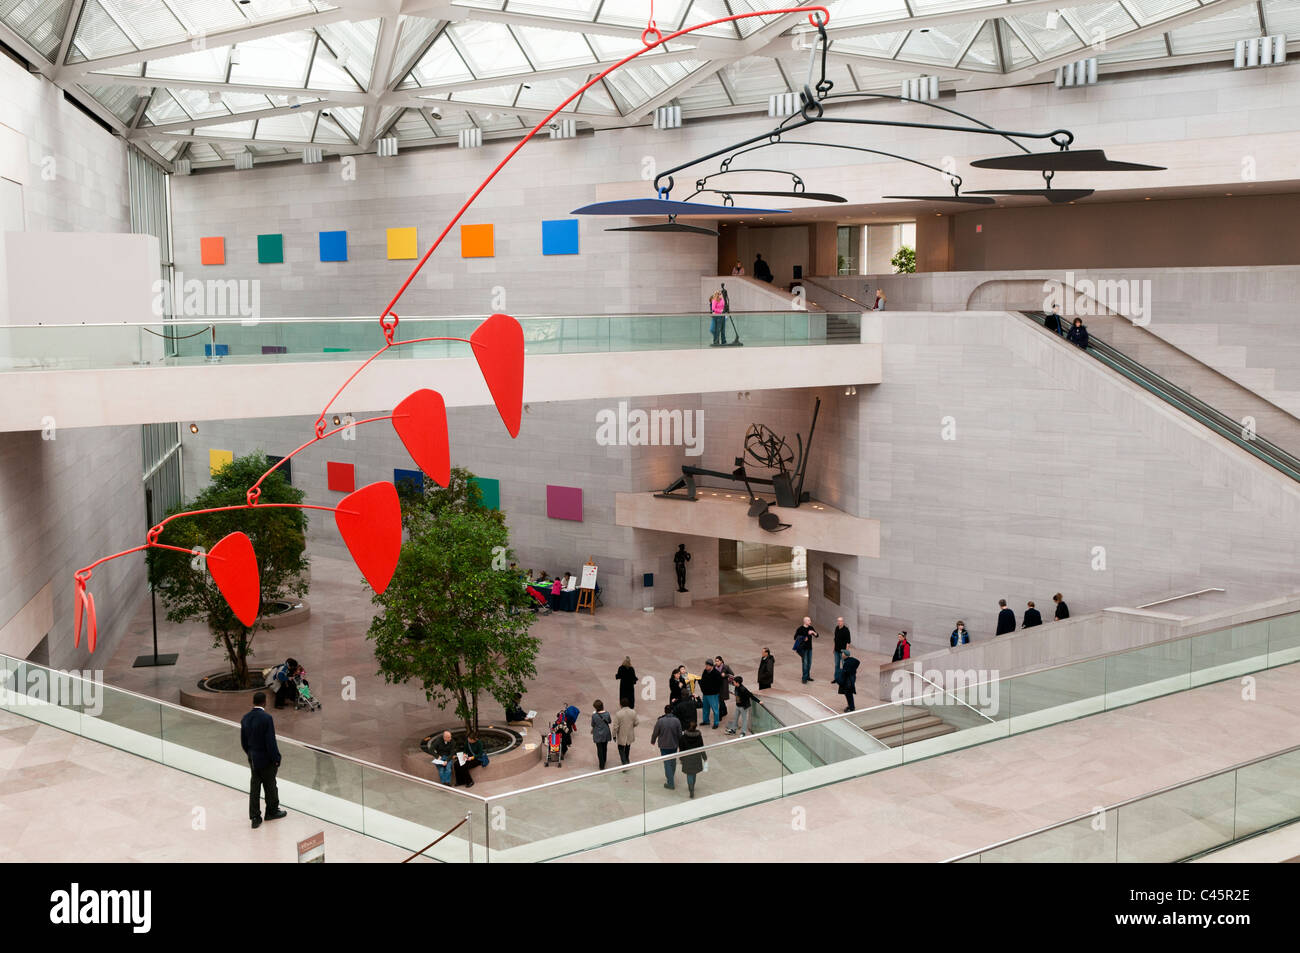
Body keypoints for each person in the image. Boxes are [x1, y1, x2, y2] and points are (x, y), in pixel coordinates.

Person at [240, 692, 287, 828]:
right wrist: (276, 758)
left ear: (253, 702)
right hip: (266, 759)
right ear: (264, 702)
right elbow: (270, 742)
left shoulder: (245, 718)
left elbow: (244, 742)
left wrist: (250, 754)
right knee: (270, 785)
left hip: (253, 759)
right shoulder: (266, 718)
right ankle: (271, 811)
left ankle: (255, 817)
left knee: (255, 787)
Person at [650, 704, 682, 789]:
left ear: (665, 711)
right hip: (674, 745)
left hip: (664, 746)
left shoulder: (660, 721)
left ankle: (670, 782)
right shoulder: (677, 721)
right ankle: (671, 776)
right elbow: (679, 734)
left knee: (667, 763)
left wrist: (652, 741)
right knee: (673, 762)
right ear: (672, 711)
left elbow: (655, 733)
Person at [678, 721, 707, 799]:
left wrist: (681, 758)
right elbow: (702, 747)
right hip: (696, 757)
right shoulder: (699, 736)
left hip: (687, 758)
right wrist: (704, 757)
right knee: (694, 773)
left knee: (689, 774)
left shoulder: (683, 737)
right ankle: (692, 787)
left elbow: (681, 749)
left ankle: (691, 788)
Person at [612, 700, 639, 766]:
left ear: (621, 705)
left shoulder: (618, 714)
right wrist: (631, 727)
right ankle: (627, 759)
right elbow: (637, 722)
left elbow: (615, 727)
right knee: (628, 747)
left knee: (621, 748)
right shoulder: (633, 712)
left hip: (621, 735)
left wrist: (614, 735)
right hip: (629, 734)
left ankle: (624, 762)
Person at [698, 659, 722, 730]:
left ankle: (716, 723)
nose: (706, 666)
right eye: (706, 665)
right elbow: (703, 680)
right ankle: (706, 721)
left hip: (713, 695)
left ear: (711, 666)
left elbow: (719, 684)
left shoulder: (716, 673)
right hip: (705, 694)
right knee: (705, 708)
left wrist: (713, 690)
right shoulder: (705, 671)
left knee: (715, 709)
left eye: (707, 665)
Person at [793, 616, 818, 683]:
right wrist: (803, 638)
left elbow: (817, 635)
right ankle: (804, 678)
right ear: (805, 621)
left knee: (809, 663)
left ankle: (807, 676)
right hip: (803, 649)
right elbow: (795, 637)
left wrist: (813, 632)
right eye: (809, 620)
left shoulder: (811, 628)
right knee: (805, 663)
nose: (810, 622)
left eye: (810, 620)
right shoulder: (800, 629)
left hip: (810, 648)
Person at [591, 699, 613, 770]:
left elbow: (592, 724)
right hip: (605, 732)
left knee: (599, 749)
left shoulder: (594, 715)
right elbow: (609, 721)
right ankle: (604, 760)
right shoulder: (607, 713)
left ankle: (601, 764)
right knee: (605, 747)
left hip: (597, 733)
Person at [838, 647, 860, 713]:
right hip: (850, 679)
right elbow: (858, 662)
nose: (841, 654)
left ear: (845, 655)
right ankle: (850, 706)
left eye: (842, 653)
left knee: (848, 694)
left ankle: (852, 708)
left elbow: (845, 673)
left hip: (848, 681)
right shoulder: (851, 660)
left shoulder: (847, 663)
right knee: (848, 694)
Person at [714, 655, 733, 720]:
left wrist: (725, 675)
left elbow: (732, 674)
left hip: (723, 686)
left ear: (721, 661)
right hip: (716, 686)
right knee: (720, 700)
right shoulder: (714, 667)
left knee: (721, 700)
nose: (716, 662)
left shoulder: (726, 667)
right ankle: (724, 711)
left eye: (718, 661)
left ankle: (720, 715)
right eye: (715, 661)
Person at [832, 617, 850, 683]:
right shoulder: (836, 628)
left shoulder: (846, 630)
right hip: (836, 650)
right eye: (838, 621)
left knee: (844, 665)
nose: (839, 622)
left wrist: (845, 652)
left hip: (843, 651)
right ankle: (836, 678)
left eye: (840, 621)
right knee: (837, 665)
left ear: (843, 622)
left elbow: (848, 642)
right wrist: (834, 648)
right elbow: (835, 639)